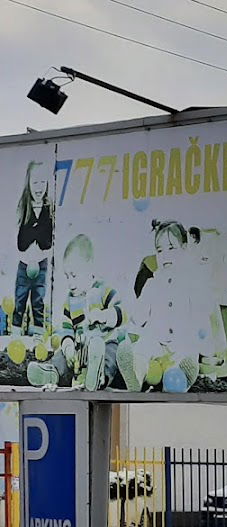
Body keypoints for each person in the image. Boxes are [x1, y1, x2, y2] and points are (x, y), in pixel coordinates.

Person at [28, 233, 129, 389]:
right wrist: (68, 346)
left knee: (111, 353)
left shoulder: (104, 291)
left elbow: (122, 313)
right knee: (61, 356)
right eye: (67, 276)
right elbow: (66, 329)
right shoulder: (70, 301)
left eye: (74, 275)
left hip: (103, 343)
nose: (70, 283)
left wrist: (104, 316)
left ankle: (99, 377)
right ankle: (51, 373)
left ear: (90, 269)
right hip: (80, 348)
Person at [125, 220, 205, 392]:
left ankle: (178, 380)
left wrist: (206, 348)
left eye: (171, 248)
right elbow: (139, 316)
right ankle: (137, 375)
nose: (165, 255)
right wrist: (133, 328)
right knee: (142, 349)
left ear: (184, 249)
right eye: (160, 251)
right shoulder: (152, 284)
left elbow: (200, 315)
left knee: (186, 355)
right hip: (156, 340)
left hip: (181, 342)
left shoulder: (190, 283)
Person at [14, 161, 53, 336]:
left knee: (38, 302)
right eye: (35, 182)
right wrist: (35, 230)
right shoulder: (24, 206)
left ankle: (37, 334)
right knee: (20, 300)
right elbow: (22, 243)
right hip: (24, 264)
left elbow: (46, 242)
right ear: (28, 183)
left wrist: (35, 231)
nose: (39, 187)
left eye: (42, 182)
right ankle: (16, 333)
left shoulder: (48, 207)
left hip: (41, 263)